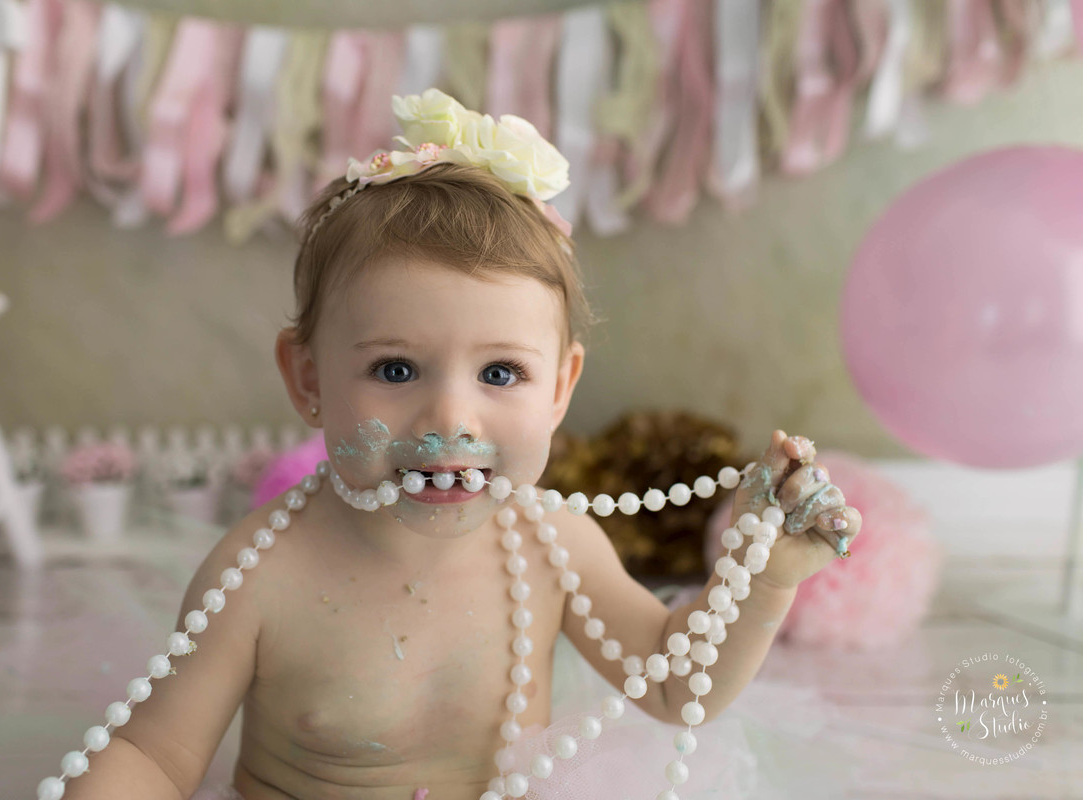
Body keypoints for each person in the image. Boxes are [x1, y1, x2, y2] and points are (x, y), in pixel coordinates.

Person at [56, 90, 862, 800]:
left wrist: (764, 582)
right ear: (307, 378)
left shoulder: (553, 547)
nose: (450, 419)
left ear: (560, 388)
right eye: (395, 369)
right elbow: (156, 756)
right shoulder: (260, 574)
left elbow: (675, 684)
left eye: (501, 373)